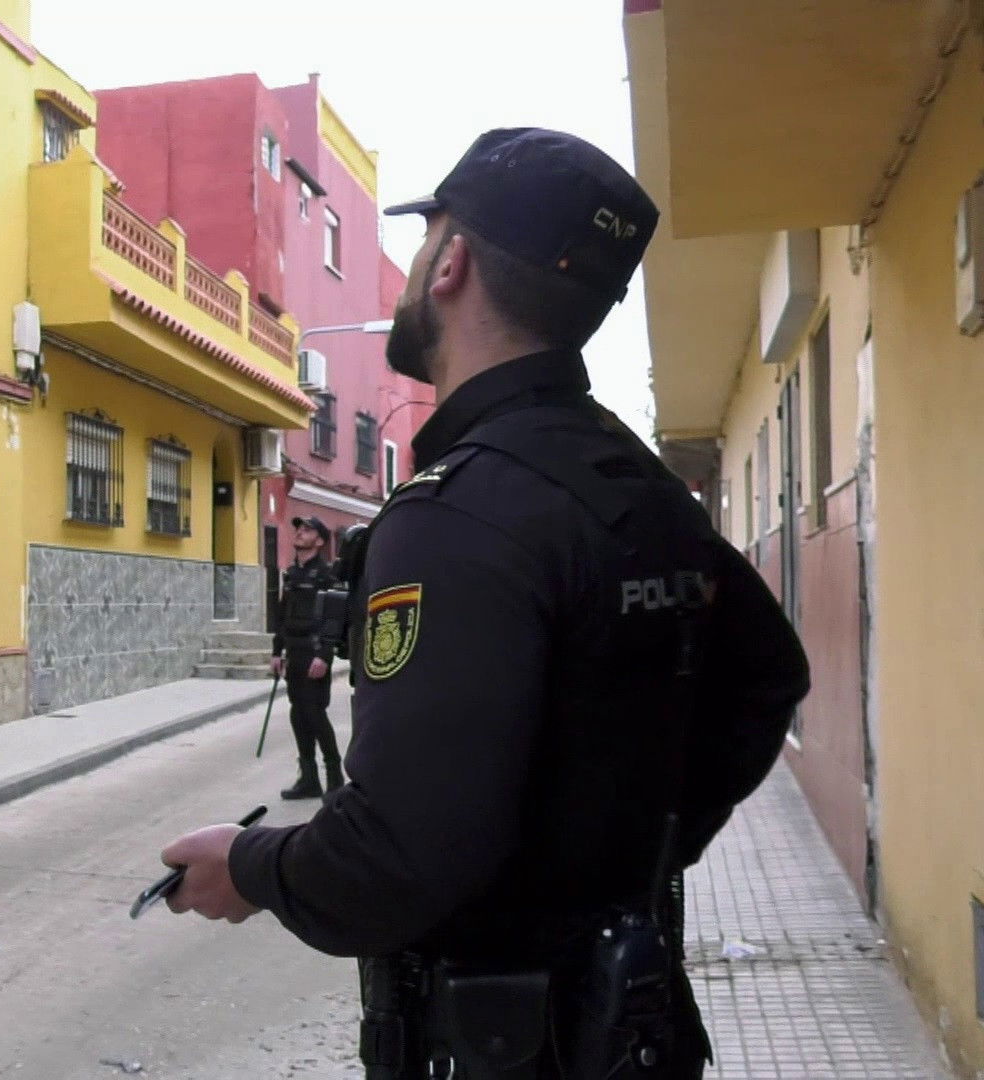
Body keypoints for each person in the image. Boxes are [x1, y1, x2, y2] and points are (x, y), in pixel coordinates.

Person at [155, 129, 810, 1078]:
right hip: (632, 1027)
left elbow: (394, 859)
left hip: (507, 1050)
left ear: (452, 262)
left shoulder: (457, 513)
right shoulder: (638, 484)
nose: (417, 264)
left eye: (425, 239)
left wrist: (249, 866)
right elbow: (766, 677)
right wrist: (626, 859)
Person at [270, 516, 346, 800]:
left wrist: (324, 656)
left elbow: (334, 619)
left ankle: (335, 779)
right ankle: (309, 779)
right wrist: (277, 651)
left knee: (315, 713)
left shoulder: (326, 575)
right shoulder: (291, 574)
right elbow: (282, 616)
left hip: (315, 653)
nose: (300, 532)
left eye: (307, 530)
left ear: (320, 540)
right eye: (299, 528)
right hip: (294, 651)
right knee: (298, 714)